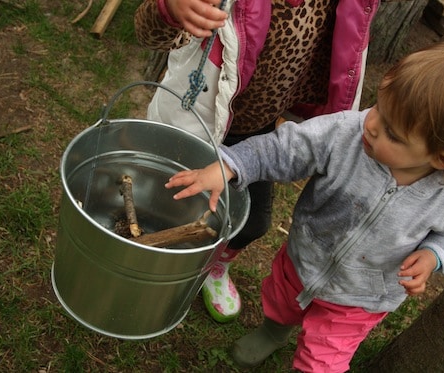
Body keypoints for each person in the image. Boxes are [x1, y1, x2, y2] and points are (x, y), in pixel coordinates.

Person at [163, 39, 444, 371]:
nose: (373, 125)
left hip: (362, 296)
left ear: (440, 159)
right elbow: (283, 149)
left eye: (393, 133)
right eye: (379, 107)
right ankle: (274, 331)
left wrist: (434, 254)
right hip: (304, 257)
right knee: (281, 302)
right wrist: (229, 166)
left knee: (323, 361)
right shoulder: (347, 133)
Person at [134, 0, 380, 322]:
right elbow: (148, 32)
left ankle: (213, 265)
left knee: (251, 222)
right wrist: (170, 9)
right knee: (167, 200)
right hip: (196, 120)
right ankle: (148, 258)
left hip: (256, 132)